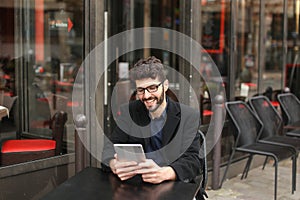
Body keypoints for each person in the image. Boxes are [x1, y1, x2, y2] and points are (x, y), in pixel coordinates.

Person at [102, 56, 202, 185]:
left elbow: (194, 160)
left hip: (173, 184)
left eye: (153, 88)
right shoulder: (129, 111)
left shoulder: (189, 116)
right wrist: (114, 164)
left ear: (165, 85)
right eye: (141, 90)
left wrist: (164, 173)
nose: (147, 95)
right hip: (137, 185)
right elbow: (109, 148)